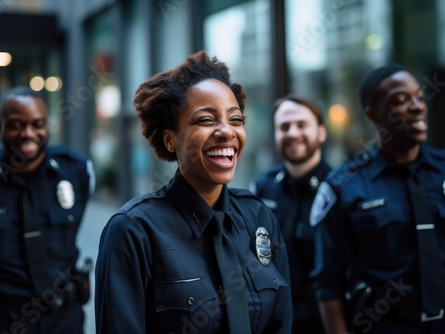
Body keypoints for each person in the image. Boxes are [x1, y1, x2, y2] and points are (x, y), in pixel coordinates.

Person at [95, 50, 292, 334]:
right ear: (170, 140)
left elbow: (281, 324)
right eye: (205, 120)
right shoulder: (133, 231)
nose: (226, 131)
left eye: (235, 120)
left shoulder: (260, 217)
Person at [0, 86, 95, 333]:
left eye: (38, 124)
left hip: (63, 321)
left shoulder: (78, 172)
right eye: (16, 125)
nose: (29, 133)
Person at [310, 64, 445, 333]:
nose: (417, 107)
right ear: (373, 115)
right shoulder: (344, 187)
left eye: (419, 97)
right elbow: (328, 282)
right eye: (400, 101)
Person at [250, 95, 331, 333]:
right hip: (273, 321)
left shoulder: (340, 189)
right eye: (284, 127)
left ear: (321, 132)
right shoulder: (262, 188)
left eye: (302, 125)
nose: (293, 133)